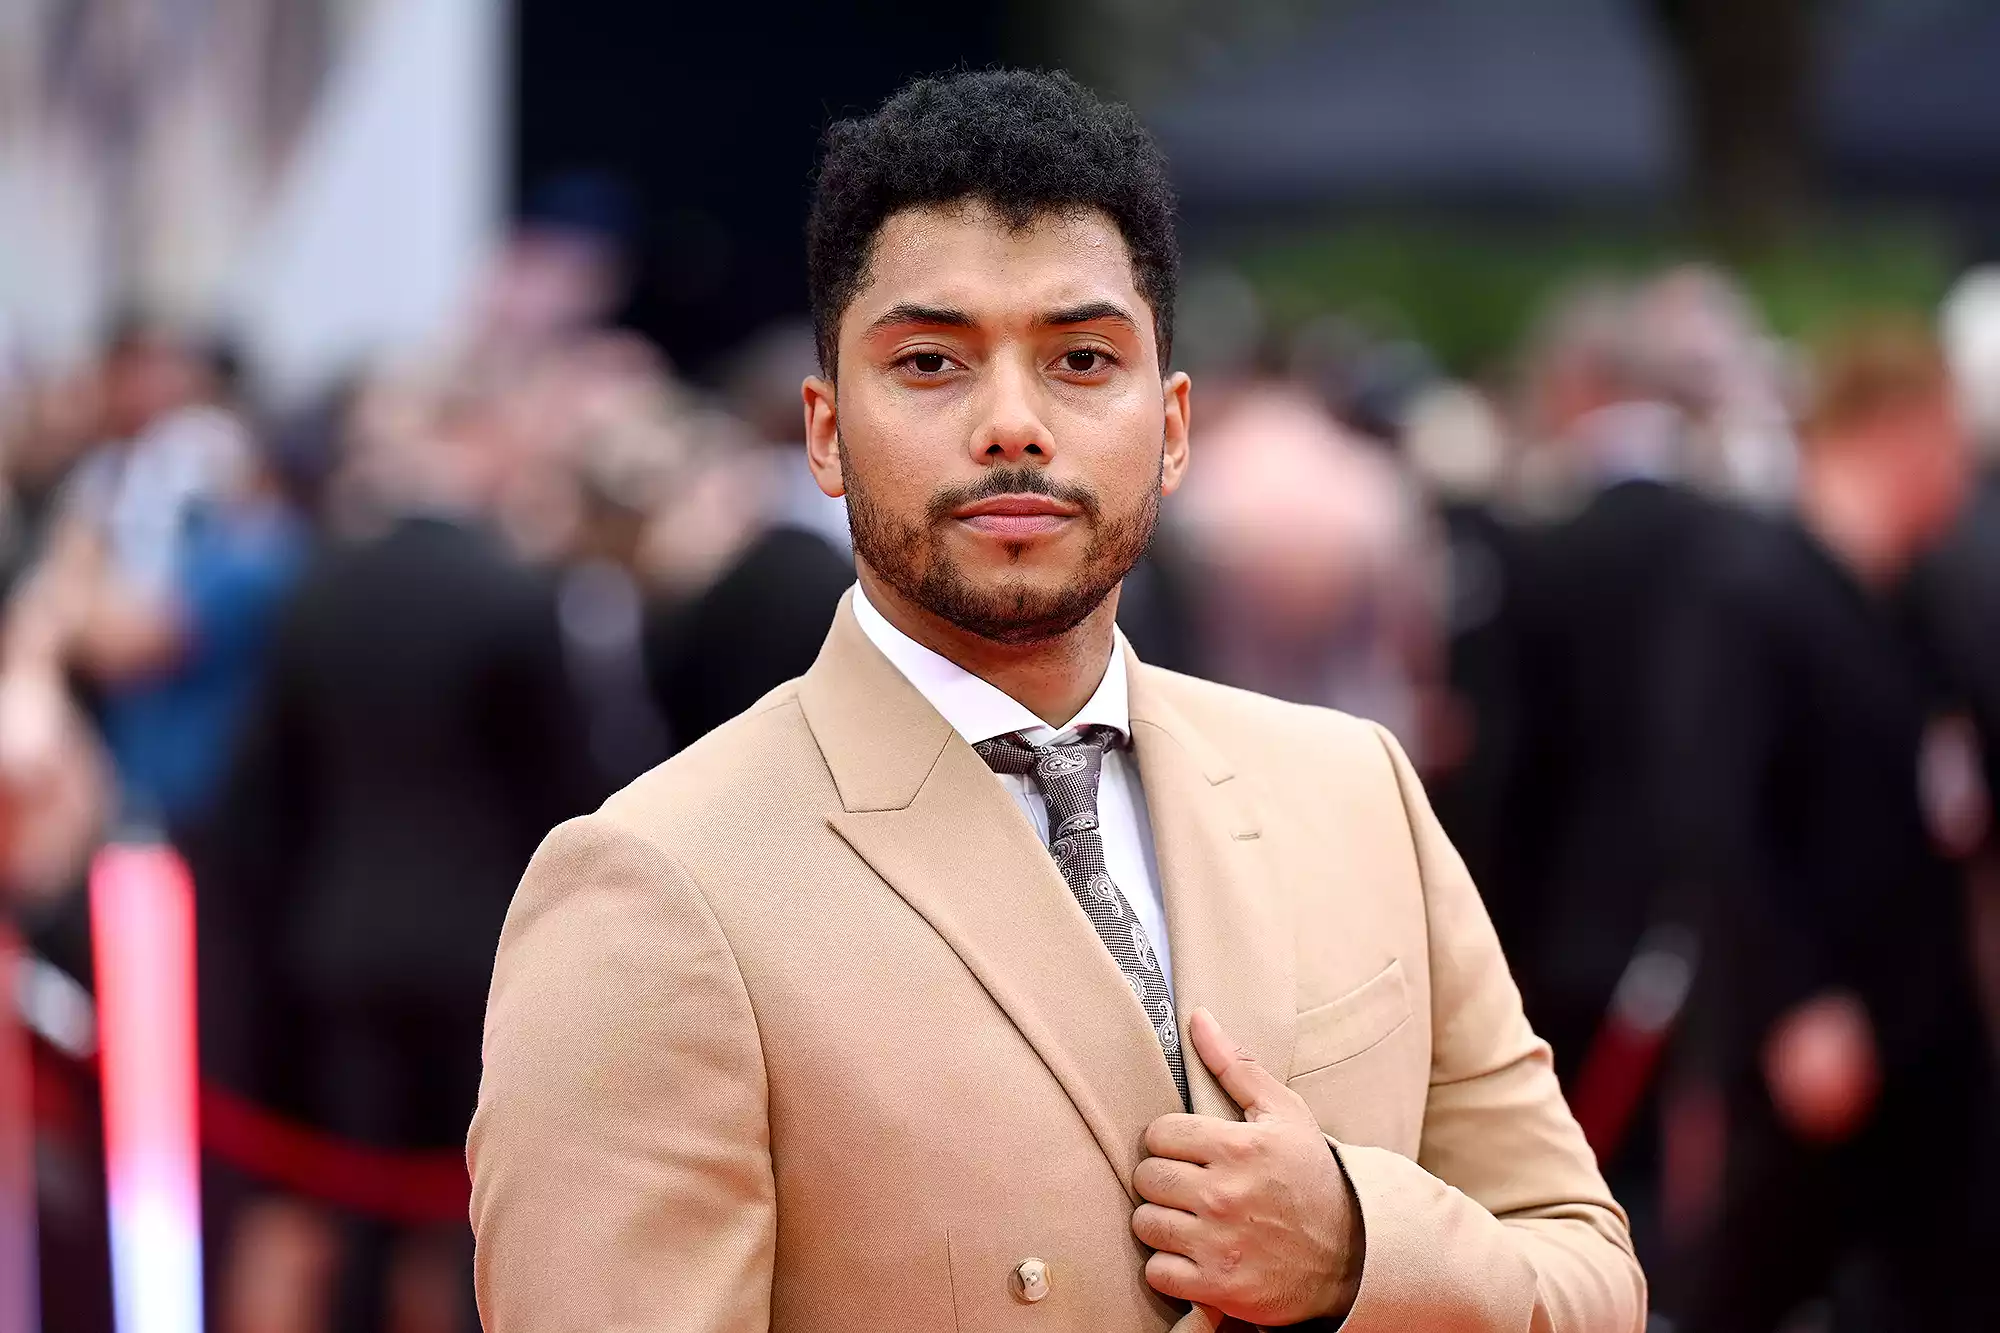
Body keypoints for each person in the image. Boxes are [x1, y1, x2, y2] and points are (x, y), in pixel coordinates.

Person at [470, 69, 1641, 1333]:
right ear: (821, 430)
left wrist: (1358, 1245)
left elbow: (1588, 1275)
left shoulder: (1350, 789)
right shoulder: (654, 881)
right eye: (930, 361)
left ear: (1173, 424)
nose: (1012, 424)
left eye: (1082, 358)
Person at [1660, 320, 1996, 1332]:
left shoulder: (1909, 597)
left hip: (1921, 1016)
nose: (1958, 476)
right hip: (1811, 1023)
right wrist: (1793, 1001)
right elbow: (1716, 818)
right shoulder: (1751, 588)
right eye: (1946, 444)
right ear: (1892, 433)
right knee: (1755, 1271)